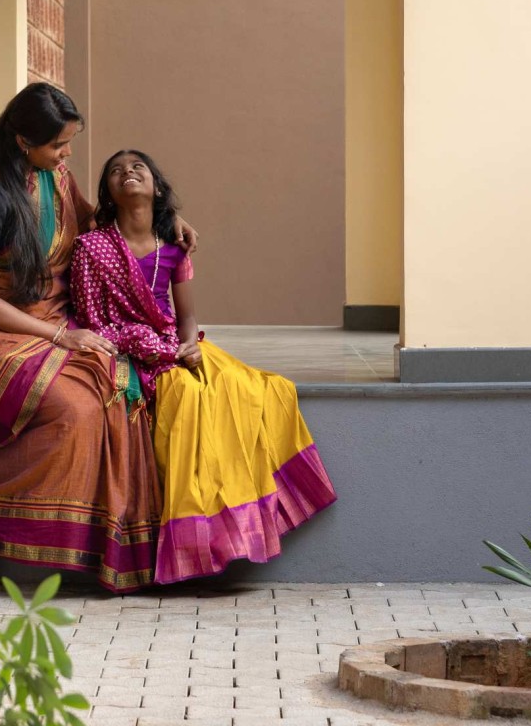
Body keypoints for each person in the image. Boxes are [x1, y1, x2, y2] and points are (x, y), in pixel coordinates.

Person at [71, 150, 337, 585]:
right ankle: (197, 544)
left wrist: (190, 345)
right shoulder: (92, 248)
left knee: (255, 390)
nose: (127, 172)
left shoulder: (174, 248)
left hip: (177, 345)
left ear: (156, 187)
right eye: (116, 170)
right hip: (127, 350)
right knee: (190, 399)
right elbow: (91, 320)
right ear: (108, 193)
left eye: (138, 167)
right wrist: (140, 342)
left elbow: (187, 318)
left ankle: (243, 525)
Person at [0, 85, 160, 593]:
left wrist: (166, 223)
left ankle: (109, 549)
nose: (66, 156)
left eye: (69, 145)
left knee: (118, 390)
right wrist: (62, 337)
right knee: (74, 410)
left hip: (47, 320)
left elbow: (95, 225)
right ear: (22, 140)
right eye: (58, 145)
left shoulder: (53, 176)